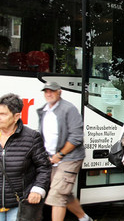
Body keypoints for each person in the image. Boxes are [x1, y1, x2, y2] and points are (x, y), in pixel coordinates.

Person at [37, 82, 91, 221]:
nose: (48, 94)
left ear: (59, 92)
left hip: (69, 158)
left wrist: (60, 154)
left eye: (52, 91)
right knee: (64, 192)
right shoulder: (44, 110)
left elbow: (76, 137)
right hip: (51, 158)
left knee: (57, 196)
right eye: (46, 91)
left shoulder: (69, 109)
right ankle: (84, 218)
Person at [0, 93, 51, 220]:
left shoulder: (32, 137)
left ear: (16, 116)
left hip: (20, 205)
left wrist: (38, 189)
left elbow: (44, 167)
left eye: (3, 114)